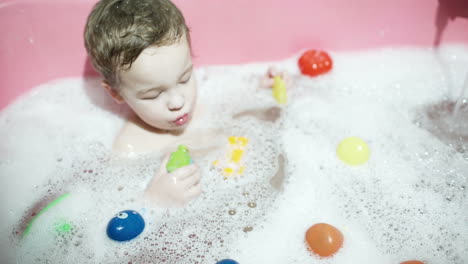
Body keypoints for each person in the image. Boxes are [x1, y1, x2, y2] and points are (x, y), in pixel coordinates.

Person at [84, 0, 287, 207]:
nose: (178, 102)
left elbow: (238, 104)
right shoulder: (130, 149)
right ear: (116, 93)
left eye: (185, 78)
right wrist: (154, 200)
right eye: (153, 94)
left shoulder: (209, 98)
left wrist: (263, 90)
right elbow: (114, 205)